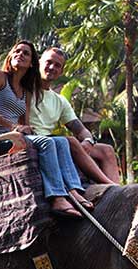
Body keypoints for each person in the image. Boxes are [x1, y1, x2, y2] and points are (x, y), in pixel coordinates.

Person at [0, 40, 91, 218]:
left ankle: (74, 190)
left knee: (60, 141)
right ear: (11, 55)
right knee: (46, 143)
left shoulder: (25, 91)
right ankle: (57, 197)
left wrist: (25, 129)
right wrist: (13, 127)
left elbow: (24, 122)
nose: (20, 54)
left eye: (26, 53)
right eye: (17, 51)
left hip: (14, 136)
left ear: (31, 64)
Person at [30, 47, 120, 184]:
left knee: (106, 150)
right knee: (70, 141)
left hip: (55, 144)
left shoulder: (60, 101)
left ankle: (118, 193)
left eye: (57, 65)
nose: (52, 67)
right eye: (48, 62)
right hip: (35, 141)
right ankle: (109, 185)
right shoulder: (24, 89)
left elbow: (81, 129)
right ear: (39, 62)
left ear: (61, 72)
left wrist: (88, 142)